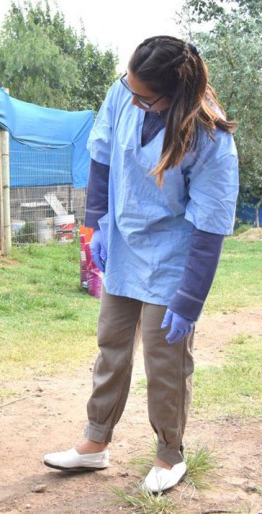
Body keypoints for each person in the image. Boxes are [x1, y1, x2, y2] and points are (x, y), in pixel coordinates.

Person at [43, 36, 239, 493]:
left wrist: (188, 301)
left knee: (164, 358)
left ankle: (170, 453)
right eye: (129, 88)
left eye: (144, 97)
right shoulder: (123, 91)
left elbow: (210, 228)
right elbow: (102, 156)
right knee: (111, 343)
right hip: (125, 242)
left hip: (174, 256)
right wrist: (98, 224)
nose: (131, 99)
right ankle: (95, 442)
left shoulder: (211, 138)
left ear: (175, 95)